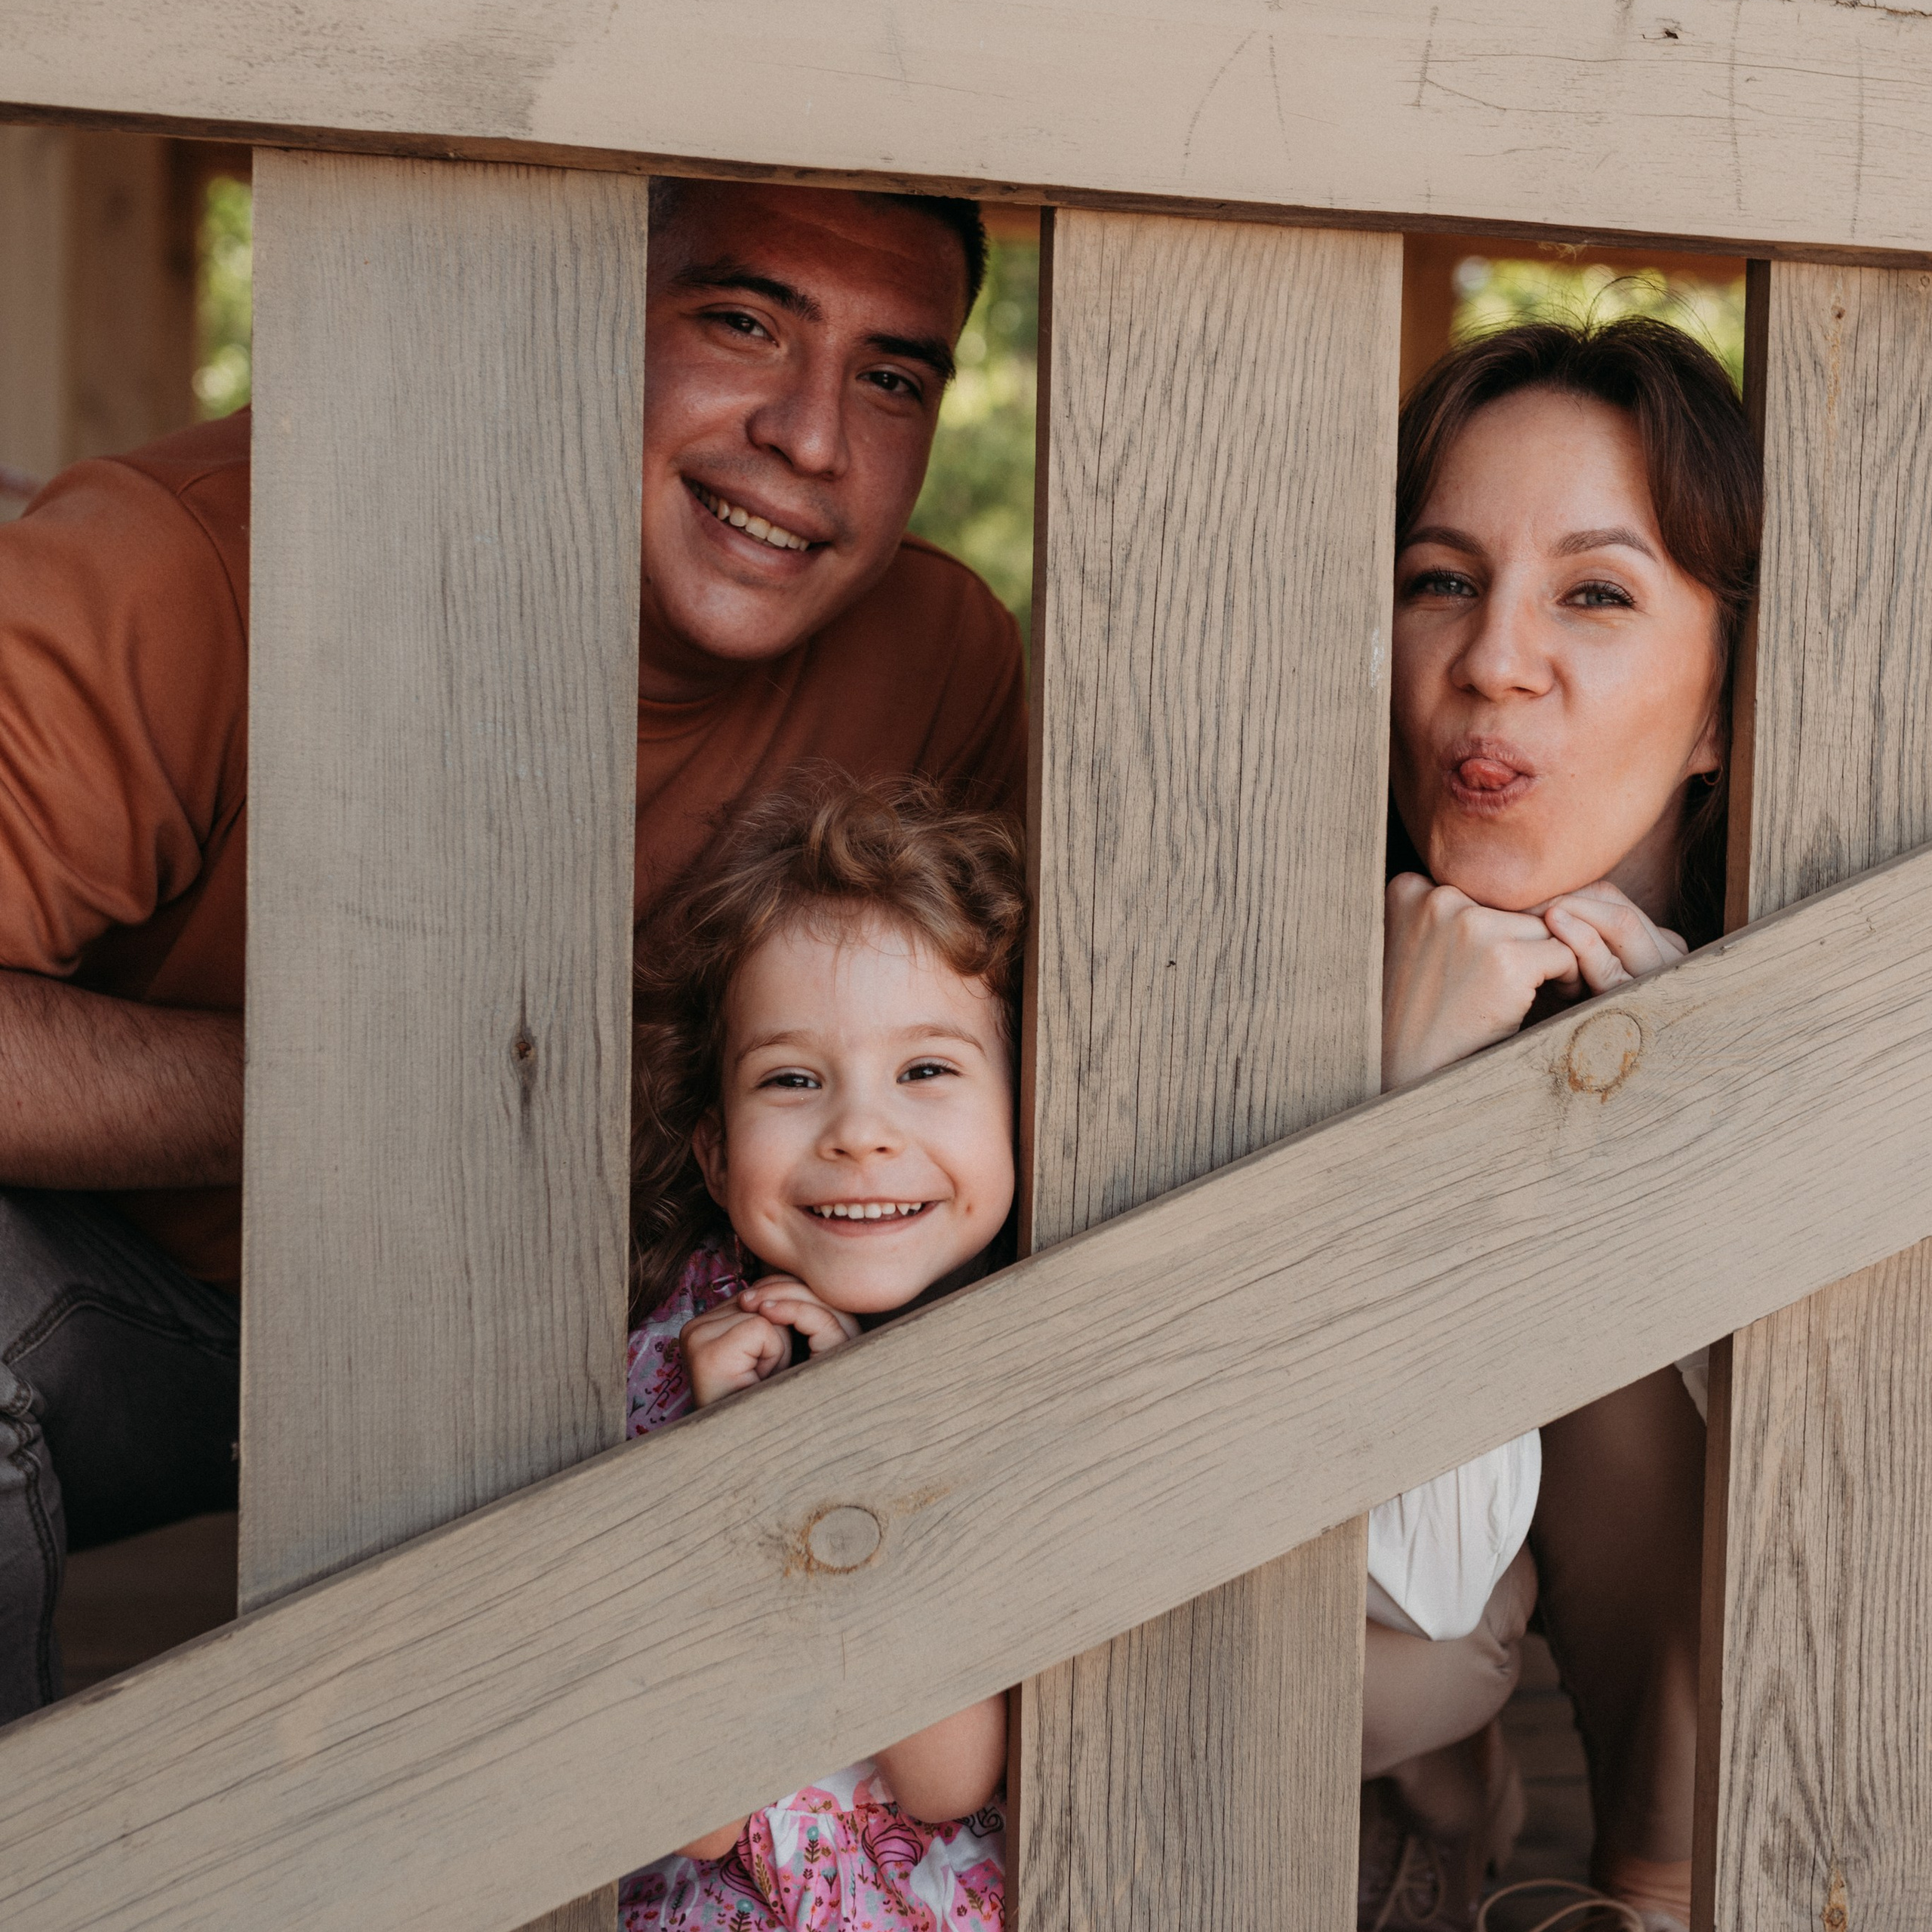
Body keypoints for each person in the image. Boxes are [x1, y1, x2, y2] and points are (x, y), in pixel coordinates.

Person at [0, 177, 1025, 1722]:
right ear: (563, 307)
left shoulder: (938, 659)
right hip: (179, 1315)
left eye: (890, 377)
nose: (813, 438)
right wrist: (386, 1090)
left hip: (646, 1361)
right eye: (741, 324)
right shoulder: (188, 560)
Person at [1361, 315, 1758, 1932]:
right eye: (1439, 579)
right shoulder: (1224, 1009)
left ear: (1724, 706)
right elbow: (1416, 1597)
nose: (1492, 659)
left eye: (1593, 593)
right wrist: (1410, 1125)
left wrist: (1679, 1132)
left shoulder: (1852, 1028)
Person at [619, 775, 1020, 1931]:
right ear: (714, 1152)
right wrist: (736, 1458)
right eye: (792, 1080)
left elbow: (945, 1778)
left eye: (926, 1071)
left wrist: (838, 1441)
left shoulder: (1014, 1354)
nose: (859, 1132)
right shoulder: (671, 1364)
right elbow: (696, 1813)